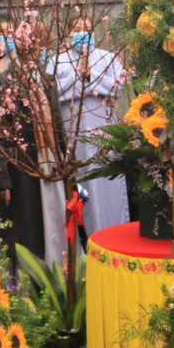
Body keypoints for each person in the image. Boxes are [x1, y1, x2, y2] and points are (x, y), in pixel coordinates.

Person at [0, 19, 54, 264]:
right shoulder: (2, 83)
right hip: (20, 167)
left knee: (53, 222)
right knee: (26, 228)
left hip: (51, 164)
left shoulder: (46, 79)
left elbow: (59, 128)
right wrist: (0, 178)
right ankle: (25, 285)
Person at [53, 16, 127, 236]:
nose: (82, 34)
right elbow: (56, 92)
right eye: (76, 29)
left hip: (103, 131)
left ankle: (116, 233)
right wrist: (79, 77)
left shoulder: (108, 57)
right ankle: (89, 238)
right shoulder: (59, 60)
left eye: (86, 29)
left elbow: (117, 87)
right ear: (67, 35)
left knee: (108, 182)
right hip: (75, 134)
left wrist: (90, 76)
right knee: (84, 185)